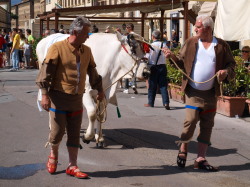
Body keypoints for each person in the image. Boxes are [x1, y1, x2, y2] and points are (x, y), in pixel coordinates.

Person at [163, 15, 235, 171]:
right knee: (190, 121)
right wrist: (171, 57)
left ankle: (200, 159)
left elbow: (232, 65)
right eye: (195, 26)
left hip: (211, 93)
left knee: (207, 125)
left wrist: (226, 72)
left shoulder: (221, 45)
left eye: (198, 27)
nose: (195, 29)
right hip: (193, 92)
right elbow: (180, 63)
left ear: (208, 28)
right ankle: (183, 149)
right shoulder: (191, 42)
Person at [36, 16, 104, 179]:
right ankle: (53, 154)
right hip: (58, 98)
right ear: (75, 31)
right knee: (58, 133)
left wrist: (99, 90)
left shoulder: (86, 51)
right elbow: (45, 74)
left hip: (76, 99)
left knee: (74, 134)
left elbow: (92, 72)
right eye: (86, 33)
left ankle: (72, 165)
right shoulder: (57, 48)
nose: (88, 36)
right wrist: (45, 95)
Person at [144, 30, 170, 110]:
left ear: (153, 37)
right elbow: (167, 54)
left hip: (154, 67)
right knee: (163, 86)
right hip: (163, 66)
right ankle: (166, 103)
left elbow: (148, 56)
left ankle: (150, 103)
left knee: (152, 86)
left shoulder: (151, 45)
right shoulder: (164, 44)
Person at [123, 23, 138, 94]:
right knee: (134, 71)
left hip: (128, 55)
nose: (126, 29)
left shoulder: (128, 36)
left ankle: (126, 88)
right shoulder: (136, 35)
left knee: (127, 72)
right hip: (136, 56)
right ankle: (133, 84)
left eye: (126, 27)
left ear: (129, 28)